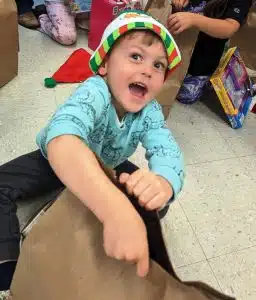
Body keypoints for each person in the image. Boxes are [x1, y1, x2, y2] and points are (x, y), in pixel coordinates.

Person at [0, 10, 184, 298]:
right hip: (55, 162)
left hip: (108, 163)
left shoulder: (150, 112)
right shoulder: (94, 91)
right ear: (105, 65)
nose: (148, 70)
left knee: (154, 199)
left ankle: (112, 241)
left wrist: (162, 182)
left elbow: (167, 150)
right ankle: (7, 270)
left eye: (159, 65)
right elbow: (62, 140)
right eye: (136, 56)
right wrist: (113, 209)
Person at [167, 0, 253, 104]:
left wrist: (194, 19)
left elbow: (230, 27)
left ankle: (202, 79)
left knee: (185, 95)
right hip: (176, 43)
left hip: (203, 57)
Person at [35, 0, 133, 46]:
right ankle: (43, 16)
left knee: (106, 26)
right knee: (67, 37)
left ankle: (75, 20)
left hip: (87, 4)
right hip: (62, 3)